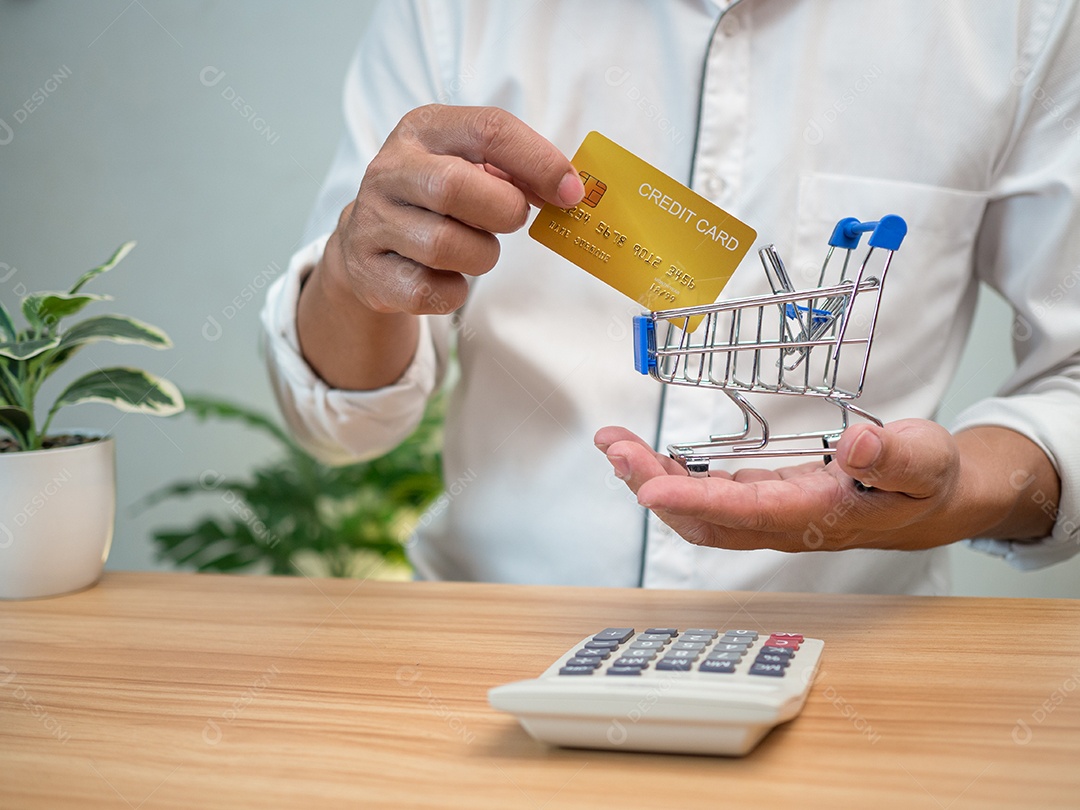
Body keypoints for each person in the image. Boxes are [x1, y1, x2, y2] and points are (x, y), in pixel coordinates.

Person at [262, 0, 1080, 593]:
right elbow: (345, 424)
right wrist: (354, 277)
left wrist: (946, 495)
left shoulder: (1018, 19)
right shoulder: (451, 13)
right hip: (495, 645)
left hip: (851, 664)